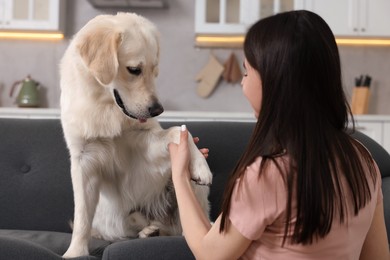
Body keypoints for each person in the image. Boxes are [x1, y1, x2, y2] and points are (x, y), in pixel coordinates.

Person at [168, 10, 389, 260]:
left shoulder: (267, 175)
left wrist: (179, 175)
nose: (242, 83)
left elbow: (209, 255)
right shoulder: (363, 162)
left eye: (247, 72)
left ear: (274, 81)